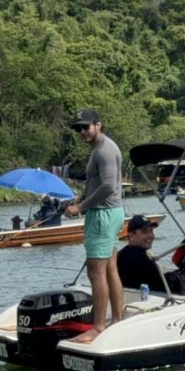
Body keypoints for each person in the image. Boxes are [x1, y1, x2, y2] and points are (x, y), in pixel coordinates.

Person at [63, 109, 125, 343]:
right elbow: (98, 183)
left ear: (98, 125)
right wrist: (80, 198)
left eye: (85, 127)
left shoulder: (105, 151)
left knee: (95, 272)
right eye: (78, 128)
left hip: (103, 216)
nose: (81, 132)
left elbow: (108, 187)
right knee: (110, 268)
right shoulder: (100, 149)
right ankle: (117, 320)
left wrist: (80, 208)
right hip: (109, 213)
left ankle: (98, 327)